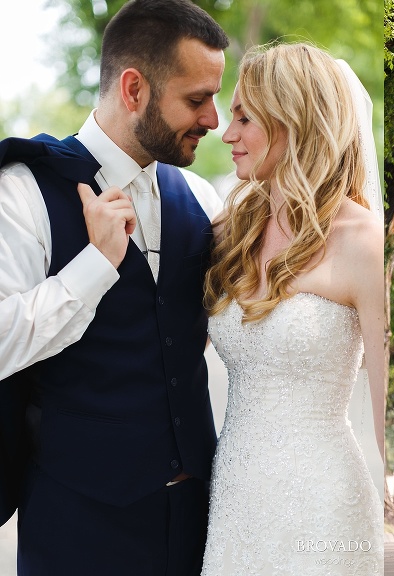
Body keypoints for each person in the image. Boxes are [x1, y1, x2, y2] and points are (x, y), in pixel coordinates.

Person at [0, 1, 229, 574]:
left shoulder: (203, 198)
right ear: (134, 90)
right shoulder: (23, 192)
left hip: (200, 522)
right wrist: (96, 265)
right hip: (78, 526)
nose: (214, 120)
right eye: (196, 99)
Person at [199, 42, 385, 575]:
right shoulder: (227, 234)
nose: (227, 132)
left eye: (244, 117)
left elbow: (383, 407)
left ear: (293, 121)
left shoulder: (363, 241)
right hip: (234, 499)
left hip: (323, 505)